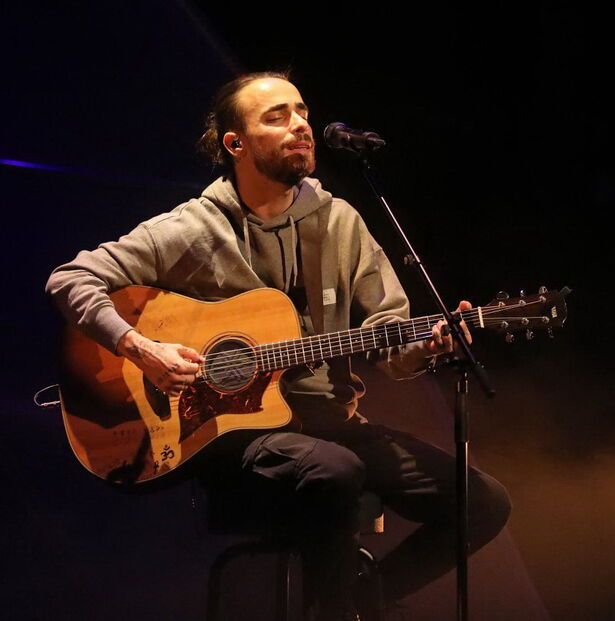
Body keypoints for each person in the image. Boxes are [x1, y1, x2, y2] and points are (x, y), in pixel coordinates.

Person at [46, 71, 511, 620]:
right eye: (277, 116)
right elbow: (70, 279)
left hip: (330, 423)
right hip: (232, 438)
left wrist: (428, 347)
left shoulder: (340, 222)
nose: (301, 126)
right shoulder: (194, 228)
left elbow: (390, 339)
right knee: (333, 471)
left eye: (302, 112)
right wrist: (142, 347)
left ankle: (364, 600)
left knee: (482, 501)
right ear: (235, 144)